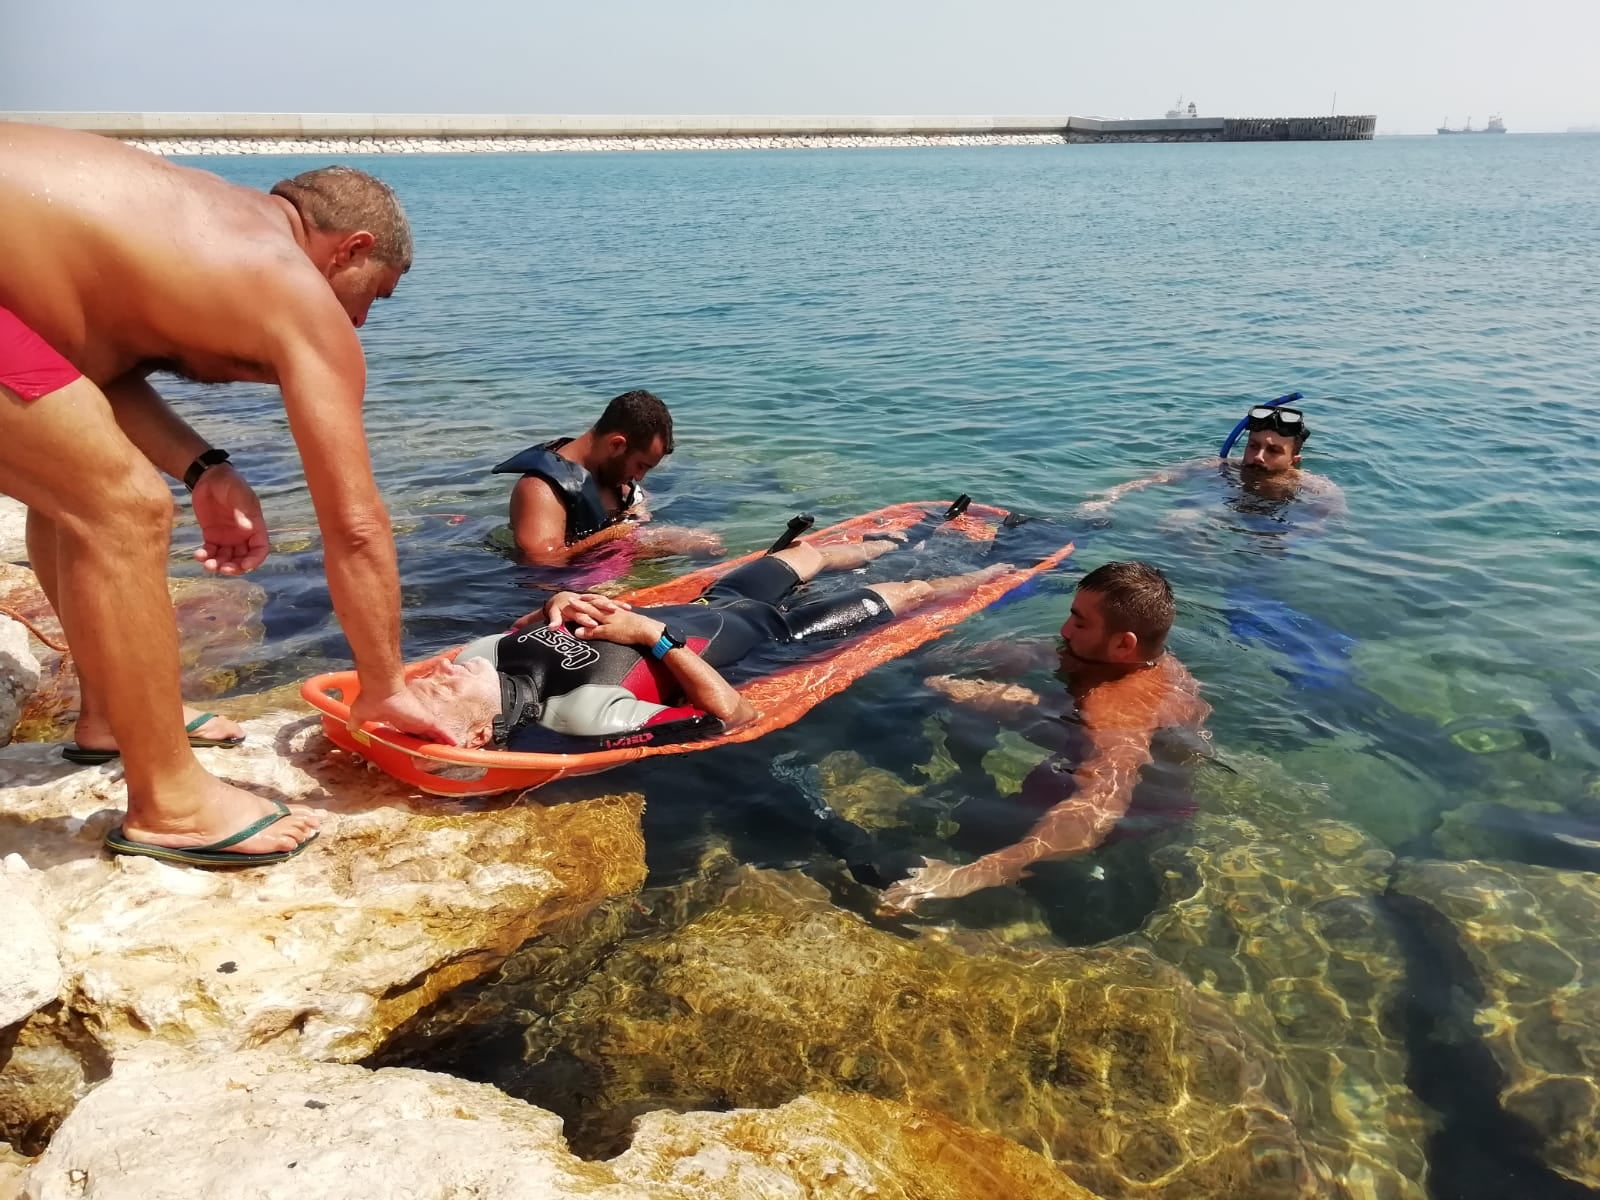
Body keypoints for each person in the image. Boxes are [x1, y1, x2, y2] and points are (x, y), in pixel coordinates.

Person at [0, 122, 453, 867]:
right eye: (378, 294)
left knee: (74, 491)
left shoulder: (197, 226)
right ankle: (173, 805)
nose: (364, 320)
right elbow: (356, 525)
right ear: (353, 248)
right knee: (123, 508)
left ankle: (112, 715)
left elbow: (90, 374)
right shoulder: (293, 287)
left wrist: (206, 468)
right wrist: (382, 686)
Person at [394, 537, 1009, 749]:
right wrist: (654, 638)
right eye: (432, 695)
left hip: (711, 603)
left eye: (425, 680)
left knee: (805, 554)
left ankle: (895, 541)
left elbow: (541, 626)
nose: (433, 675)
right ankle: (993, 573)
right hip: (770, 632)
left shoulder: (480, 655)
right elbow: (735, 716)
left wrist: (551, 605)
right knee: (914, 589)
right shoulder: (582, 714)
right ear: (476, 732)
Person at [880, 561, 1211, 913]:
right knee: (952, 688)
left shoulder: (1117, 706)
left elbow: (1100, 808)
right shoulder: (1153, 664)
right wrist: (932, 655)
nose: (1065, 630)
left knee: (974, 829)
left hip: (1130, 808)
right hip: (1091, 740)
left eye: (1080, 622)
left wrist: (969, 876)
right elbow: (1050, 654)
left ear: (1123, 644)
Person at [495, 389, 723, 568]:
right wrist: (612, 536)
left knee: (706, 542)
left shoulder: (612, 477)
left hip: (605, 574)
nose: (640, 477)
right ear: (617, 444)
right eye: (640, 465)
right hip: (562, 597)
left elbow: (632, 510)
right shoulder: (541, 489)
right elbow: (542, 563)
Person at [1079, 402, 1345, 518]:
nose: (1258, 456)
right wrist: (1108, 497)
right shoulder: (1219, 467)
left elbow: (1327, 522)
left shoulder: (1316, 488)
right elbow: (1155, 478)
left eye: (1273, 451)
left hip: (1274, 532)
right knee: (1181, 519)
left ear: (1294, 459)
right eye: (1253, 446)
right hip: (1219, 518)